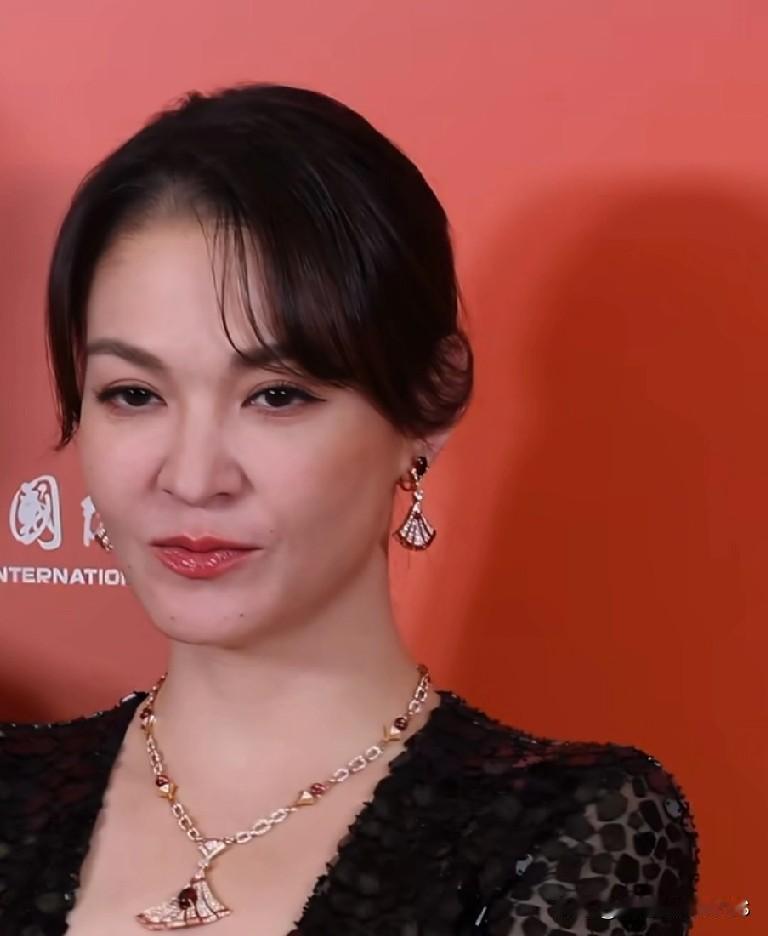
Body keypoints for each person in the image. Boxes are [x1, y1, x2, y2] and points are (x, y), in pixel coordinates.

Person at [0, 83, 698, 935]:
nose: (192, 476)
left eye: (277, 395)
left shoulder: (569, 828)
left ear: (426, 406)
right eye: (135, 394)